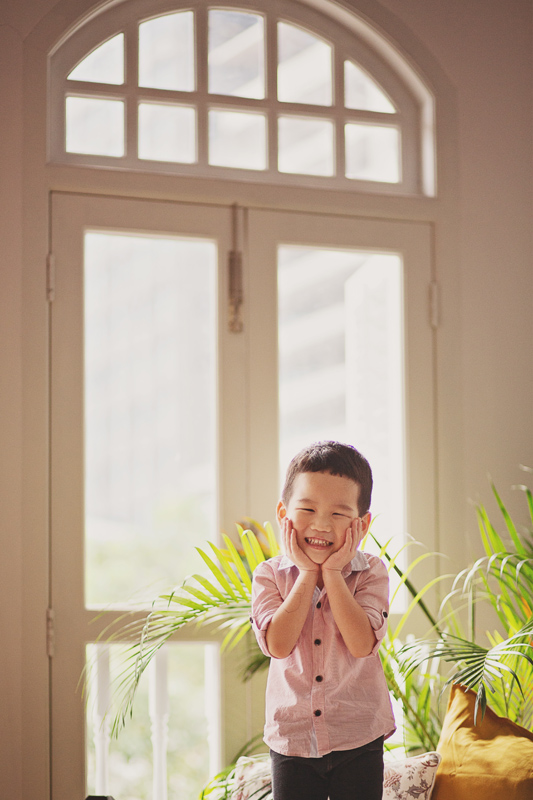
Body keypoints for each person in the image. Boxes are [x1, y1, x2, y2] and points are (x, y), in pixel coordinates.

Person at [251, 440, 395, 800]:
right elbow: (278, 645)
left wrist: (331, 573)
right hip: (293, 738)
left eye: (338, 513)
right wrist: (305, 573)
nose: (320, 524)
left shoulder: (371, 573)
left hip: (358, 733)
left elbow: (362, 644)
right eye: (308, 509)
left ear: (362, 524)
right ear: (284, 515)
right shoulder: (269, 575)